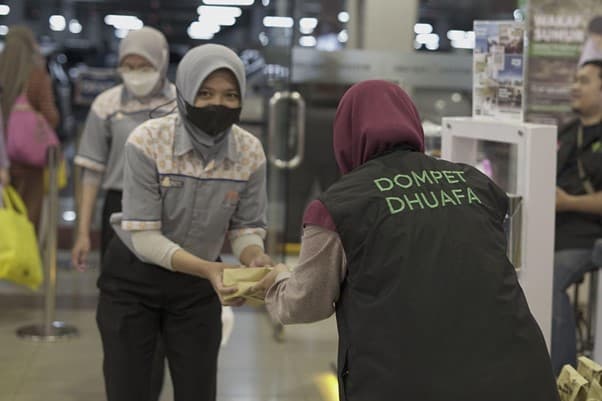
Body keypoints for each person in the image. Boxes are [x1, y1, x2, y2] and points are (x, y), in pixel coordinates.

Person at [251, 80, 559, 401]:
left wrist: (276, 282)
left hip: (408, 382)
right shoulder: (475, 184)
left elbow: (305, 303)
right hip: (519, 375)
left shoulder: (338, 207)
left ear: (345, 133)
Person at [96, 43, 272, 401]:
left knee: (198, 389)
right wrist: (210, 269)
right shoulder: (148, 142)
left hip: (196, 290)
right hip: (133, 282)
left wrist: (254, 256)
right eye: (205, 93)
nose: (217, 104)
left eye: (229, 95)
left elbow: (245, 227)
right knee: (130, 388)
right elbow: (144, 238)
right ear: (186, 91)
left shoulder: (250, 151)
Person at [71, 26, 175, 401]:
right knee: (121, 308)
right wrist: (83, 231)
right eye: (127, 65)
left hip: (168, 209)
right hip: (119, 207)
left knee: (164, 302)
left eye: (143, 64)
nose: (135, 72)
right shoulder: (106, 105)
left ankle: (151, 385)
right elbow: (91, 172)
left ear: (161, 62)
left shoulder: (180, 104)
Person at [552, 59, 602, 374]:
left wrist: (569, 202)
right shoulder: (566, 131)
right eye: (574, 80)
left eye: (583, 81)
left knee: (549, 278)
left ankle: (562, 379)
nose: (574, 87)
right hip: (553, 232)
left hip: (589, 236)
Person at [0, 25, 59, 229]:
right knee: (28, 220)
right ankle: (24, 258)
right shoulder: (36, 76)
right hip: (29, 163)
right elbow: (51, 117)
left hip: (2, 161)